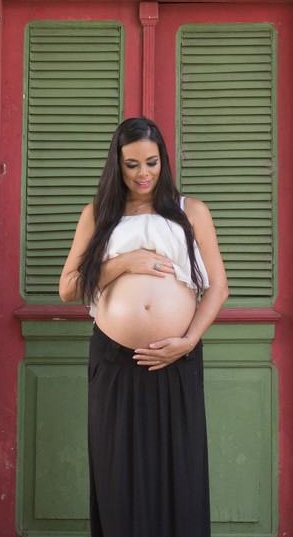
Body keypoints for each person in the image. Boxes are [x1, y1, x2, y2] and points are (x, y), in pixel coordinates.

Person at [58, 116, 230, 537]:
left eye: (151, 162)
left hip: (176, 359)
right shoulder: (98, 214)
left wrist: (187, 342)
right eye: (132, 164)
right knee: (119, 474)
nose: (143, 174)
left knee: (179, 472)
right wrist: (122, 263)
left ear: (163, 161)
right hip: (115, 361)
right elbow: (68, 288)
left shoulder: (193, 212)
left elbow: (218, 288)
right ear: (117, 165)